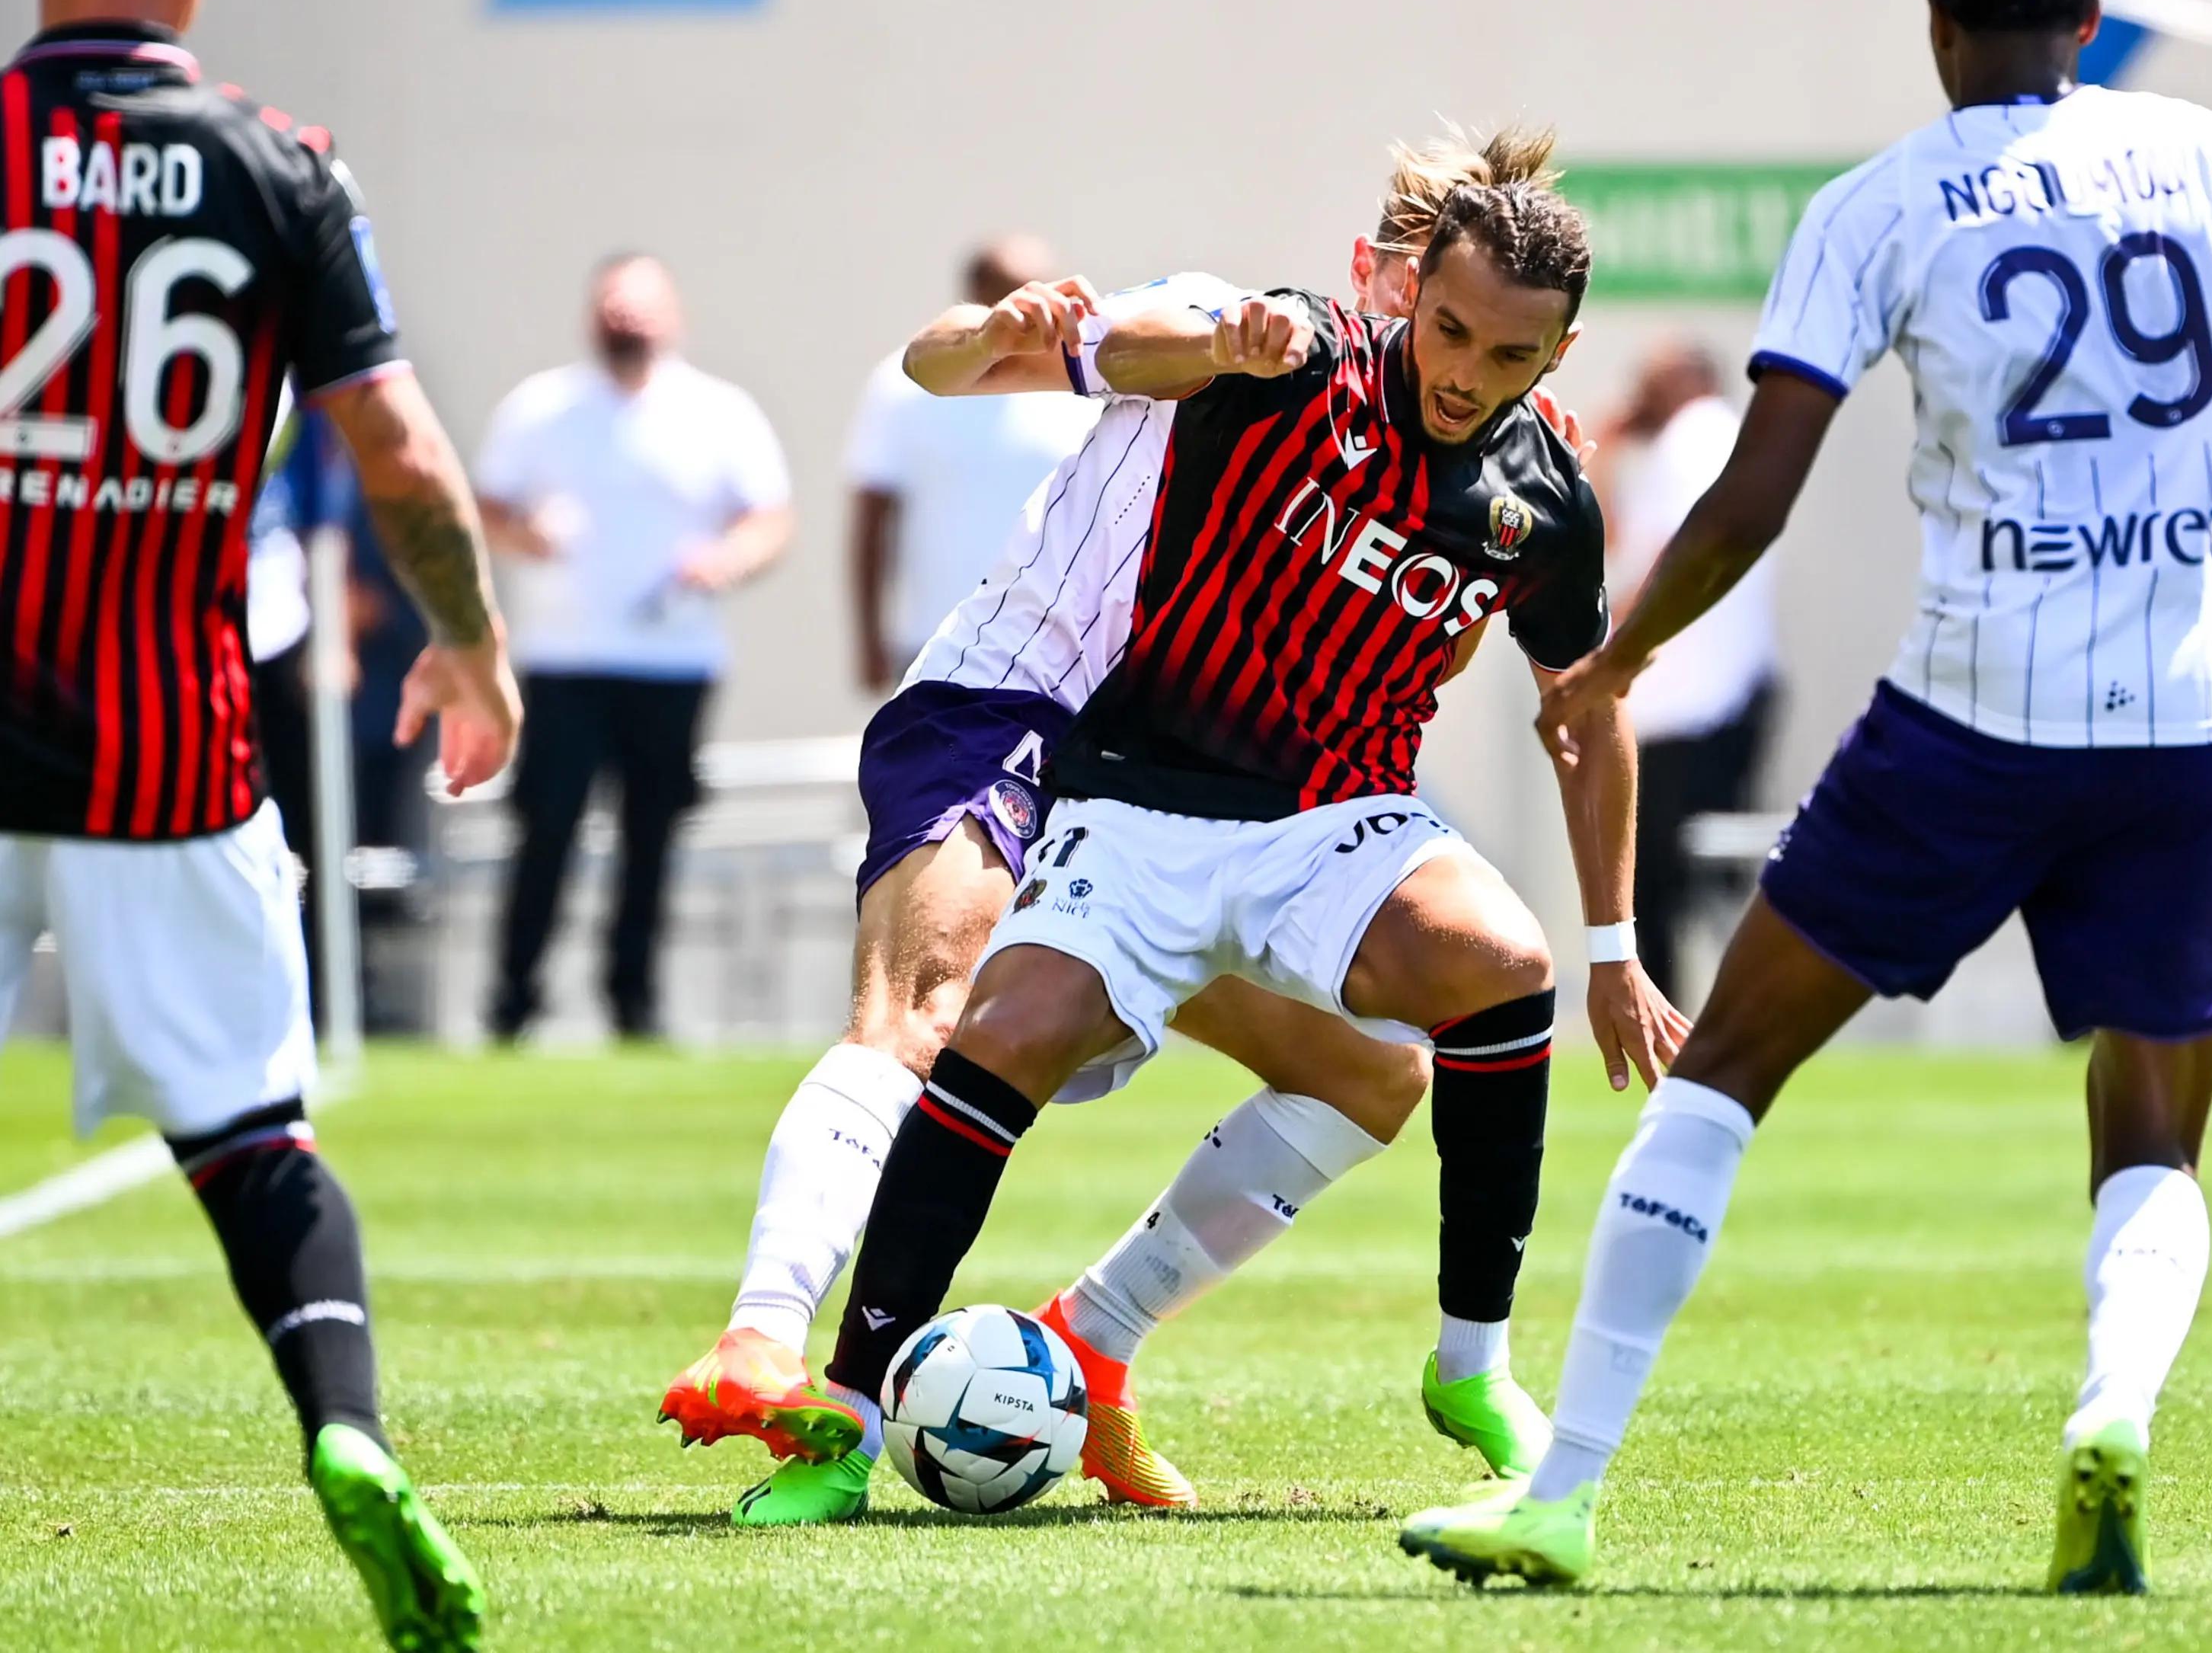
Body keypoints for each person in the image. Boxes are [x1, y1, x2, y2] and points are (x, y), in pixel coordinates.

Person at [1402, 0, 2212, 1594]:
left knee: (1723, 1067)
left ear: (1934, 18)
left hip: (1968, 718)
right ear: (2093, 22)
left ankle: (1564, 1491)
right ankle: (2110, 1410)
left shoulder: (1873, 206)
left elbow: (1752, 495)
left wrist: (1622, 656)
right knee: (2152, 1138)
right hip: (2186, 723)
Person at [660, 131, 1661, 1523]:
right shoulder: (1257, 339)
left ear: (1549, 355)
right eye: (1424, 302)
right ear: (1383, 274)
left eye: (1505, 351)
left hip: (1294, 816)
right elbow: (1002, 359)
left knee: (1409, 1049)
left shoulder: (1527, 489)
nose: (1452, 361)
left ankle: (1120, 1344)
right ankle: (800, 1369)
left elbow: (1581, 690)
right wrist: (1036, 331)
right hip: (1057, 734)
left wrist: (1612, 939)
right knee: (954, 1020)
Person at [0, 0, 523, 1648]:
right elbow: (396, 448)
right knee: (251, 1136)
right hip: (165, 746)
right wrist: (470, 647)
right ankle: (350, 1430)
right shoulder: (280, 165)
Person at [475, 254, 794, 1041]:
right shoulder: (543, 407)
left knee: (649, 836)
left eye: (641, 310)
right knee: (546, 827)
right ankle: (514, 999)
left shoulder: (718, 411)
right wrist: (527, 535)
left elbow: (768, 519)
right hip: (566, 659)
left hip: (671, 661)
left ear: (671, 316)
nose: (628, 324)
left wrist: (724, 561)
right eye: (615, 310)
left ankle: (634, 999)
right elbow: (484, 505)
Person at [845, 236, 1104, 692]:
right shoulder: (904, 383)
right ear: (977, 291)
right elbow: (873, 515)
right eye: (1017, 287)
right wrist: (869, 636)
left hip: (1057, 641)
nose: (1037, 300)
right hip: (940, 641)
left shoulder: (1082, 378)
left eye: (1041, 284)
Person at [1597, 340, 1774, 993]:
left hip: (1694, 710)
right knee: (1671, 890)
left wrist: (1615, 650)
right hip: (1699, 705)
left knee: (1658, 889)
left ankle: (1675, 1028)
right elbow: (1620, 550)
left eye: (1649, 378)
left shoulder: (1699, 437)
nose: (1636, 393)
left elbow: (1671, 554)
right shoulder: (1701, 445)